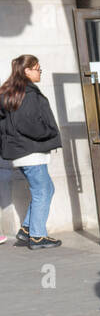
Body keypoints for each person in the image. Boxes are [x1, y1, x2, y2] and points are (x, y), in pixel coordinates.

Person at [0, 55, 63, 249]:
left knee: (46, 189)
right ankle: (37, 236)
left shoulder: (14, 91)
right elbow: (27, 122)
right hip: (30, 149)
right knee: (42, 191)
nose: (40, 71)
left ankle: (27, 229)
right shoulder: (26, 92)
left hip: (24, 150)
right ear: (26, 71)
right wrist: (49, 131)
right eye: (37, 68)